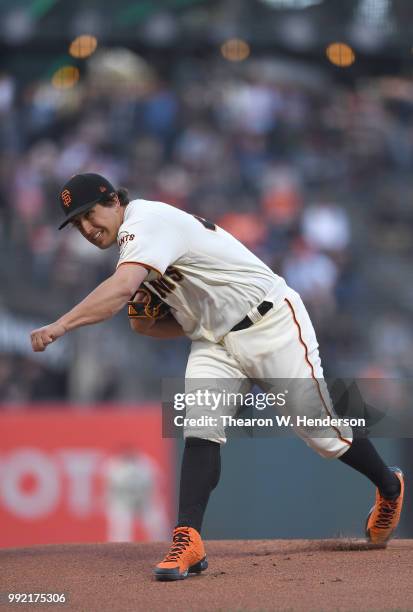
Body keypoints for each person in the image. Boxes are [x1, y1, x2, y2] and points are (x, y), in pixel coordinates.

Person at [30, 172, 405, 581]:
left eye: (90, 214)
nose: (86, 228)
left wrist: (61, 325)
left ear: (115, 202)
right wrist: (148, 323)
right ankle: (187, 538)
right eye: (77, 223)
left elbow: (120, 291)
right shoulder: (137, 245)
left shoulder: (144, 222)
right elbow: (154, 323)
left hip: (270, 321)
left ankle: (389, 486)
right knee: (199, 426)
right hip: (214, 340)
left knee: (321, 432)